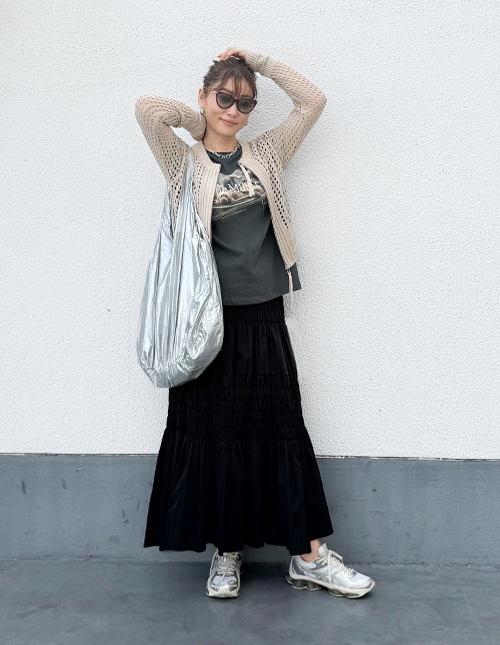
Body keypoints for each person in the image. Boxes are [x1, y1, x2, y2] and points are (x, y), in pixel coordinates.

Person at [135, 46, 375, 600]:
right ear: (204, 96)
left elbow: (312, 101)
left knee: (280, 428)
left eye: (245, 103)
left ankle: (308, 557)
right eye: (224, 98)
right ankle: (227, 553)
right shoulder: (183, 162)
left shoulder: (267, 152)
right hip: (204, 324)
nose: (234, 110)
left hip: (263, 316)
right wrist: (202, 124)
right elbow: (148, 109)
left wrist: (259, 63)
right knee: (216, 432)